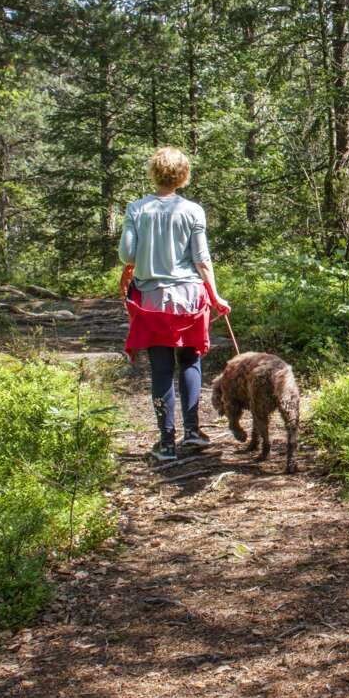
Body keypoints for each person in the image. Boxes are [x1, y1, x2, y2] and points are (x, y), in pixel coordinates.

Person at [118, 147, 232, 462]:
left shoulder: (136, 209)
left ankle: (166, 444)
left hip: (152, 301)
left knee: (161, 369)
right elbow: (202, 260)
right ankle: (193, 431)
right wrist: (216, 295)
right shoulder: (193, 211)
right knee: (190, 362)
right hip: (190, 299)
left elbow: (127, 255)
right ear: (183, 176)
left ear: (154, 173)